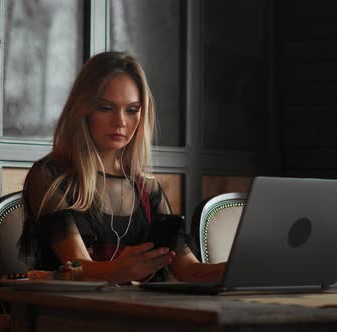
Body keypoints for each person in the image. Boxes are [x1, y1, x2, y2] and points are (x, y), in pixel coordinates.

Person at [18, 51, 225, 284]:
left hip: (137, 315)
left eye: (132, 110)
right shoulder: (51, 175)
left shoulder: (147, 188)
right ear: (83, 109)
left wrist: (236, 267)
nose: (121, 122)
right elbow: (76, 265)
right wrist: (117, 270)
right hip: (70, 313)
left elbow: (190, 271)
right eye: (106, 108)